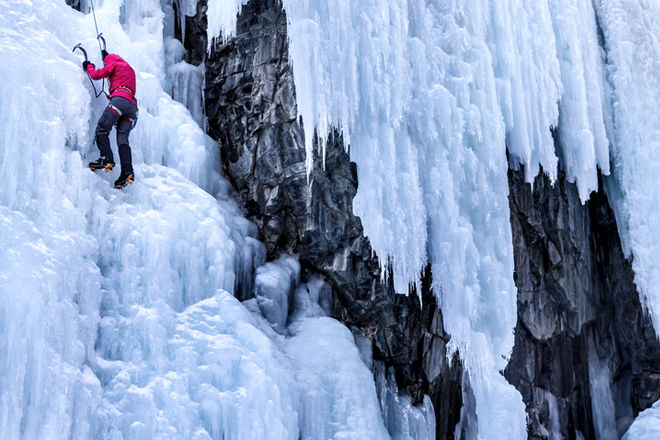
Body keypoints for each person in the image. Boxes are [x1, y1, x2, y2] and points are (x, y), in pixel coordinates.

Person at [83, 49, 138, 188]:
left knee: (102, 128)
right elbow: (123, 85)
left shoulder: (114, 64)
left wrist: (89, 66)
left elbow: (96, 75)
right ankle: (127, 172)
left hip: (119, 101)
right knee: (122, 139)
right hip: (131, 108)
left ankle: (106, 158)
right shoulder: (130, 69)